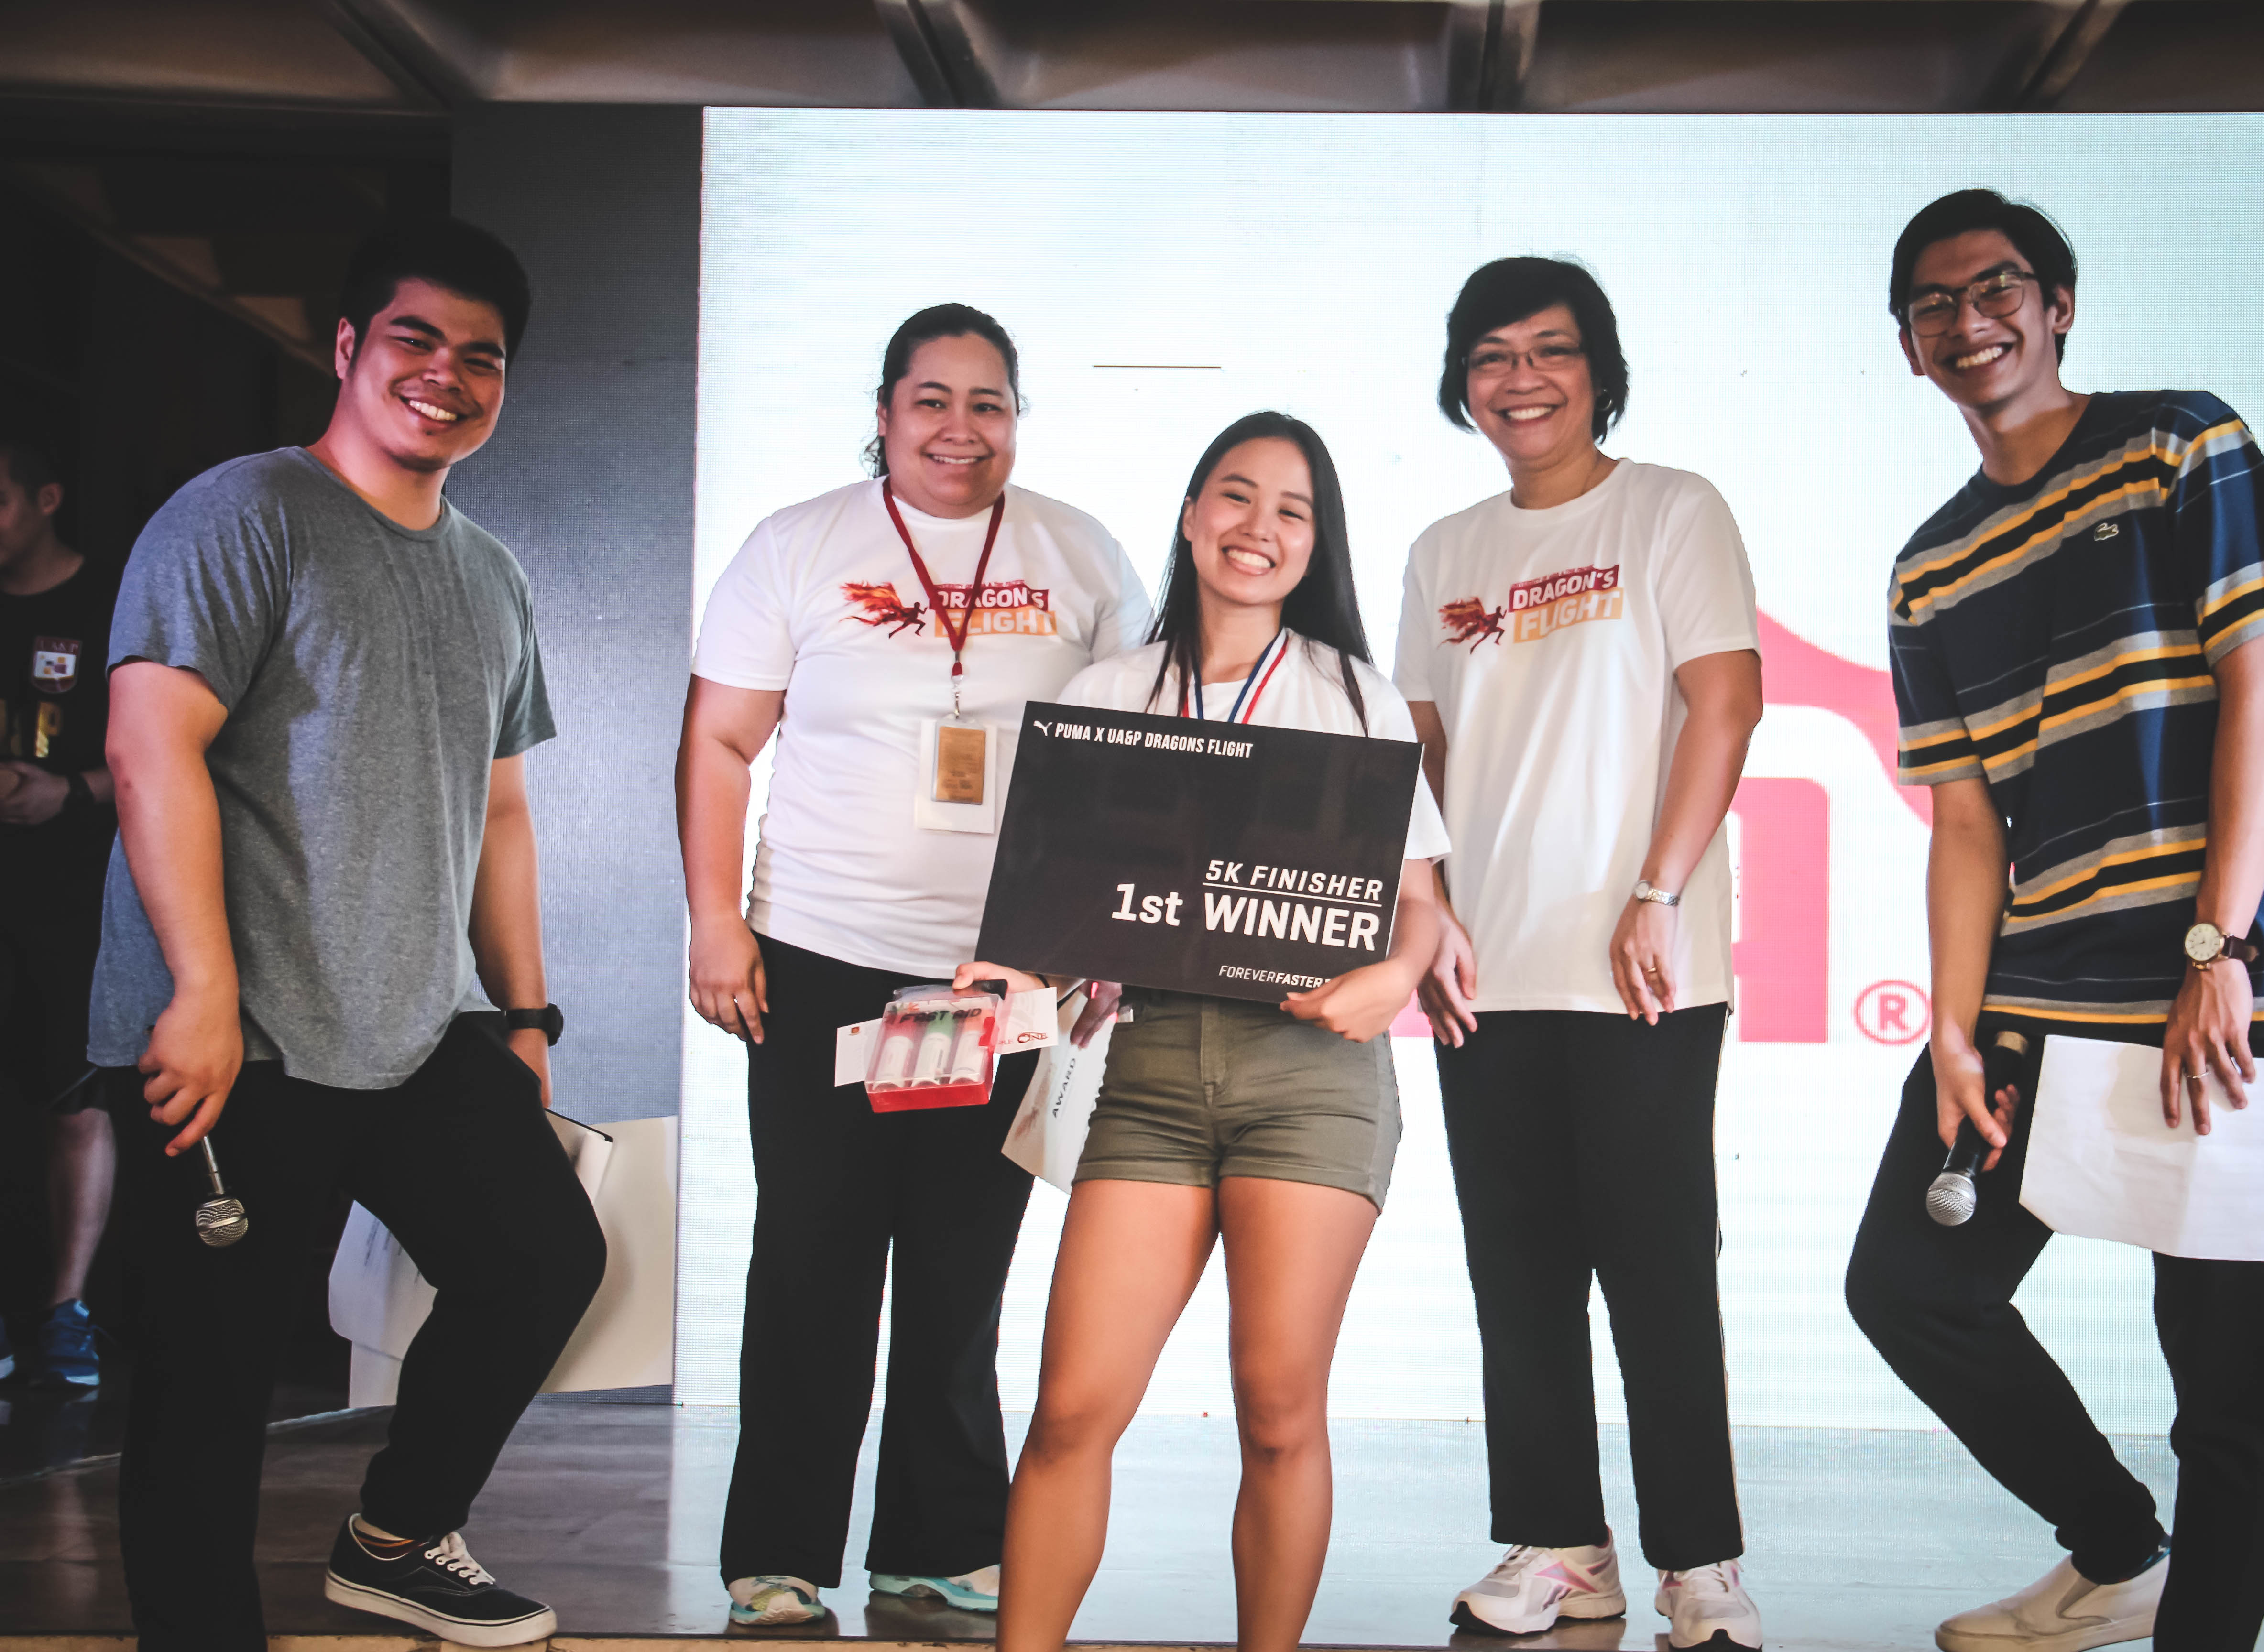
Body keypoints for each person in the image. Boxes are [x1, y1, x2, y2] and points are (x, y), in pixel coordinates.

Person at [87, 219, 606, 1649]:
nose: (446, 375)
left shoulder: (490, 574)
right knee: (210, 1379)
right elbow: (147, 747)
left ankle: (394, 1539)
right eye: (414, 340)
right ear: (346, 349)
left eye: (480, 358)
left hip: (415, 1021)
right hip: (237, 1029)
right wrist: (202, 990)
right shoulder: (243, 513)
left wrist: (524, 1019)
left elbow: (503, 811)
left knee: (542, 1259)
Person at [1842, 189, 2264, 1652]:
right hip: (2040, 996)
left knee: (2230, 1397)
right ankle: (2118, 1551)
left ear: (2057, 306)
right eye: (1935, 304)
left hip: (2232, 984)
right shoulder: (1931, 566)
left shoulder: (2181, 443)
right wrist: (1950, 1032)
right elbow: (1967, 825)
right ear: (1909, 347)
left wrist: (2219, 951)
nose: (1970, 320)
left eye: (1998, 287)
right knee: (1909, 1288)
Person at [678, 303, 1152, 1630]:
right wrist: (716, 921)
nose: (960, 428)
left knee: (959, 1273)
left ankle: (938, 1544)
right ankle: (777, 1554)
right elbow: (719, 742)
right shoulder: (799, 546)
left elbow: (1137, 759)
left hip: (1002, 980)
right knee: (810, 1263)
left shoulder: (1080, 553)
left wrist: (1100, 942)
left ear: (1018, 418)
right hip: (820, 958)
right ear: (885, 413)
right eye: (931, 400)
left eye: (988, 402)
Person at [967, 410, 1448, 1652]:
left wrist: (1396, 978)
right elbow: (1058, 910)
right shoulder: (1107, 694)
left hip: (1313, 1073)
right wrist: (1006, 974)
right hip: (1148, 1073)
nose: (1259, 527)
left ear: (1316, 545)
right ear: (1191, 516)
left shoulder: (1356, 694)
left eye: (1293, 510)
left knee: (1278, 1413)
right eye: (1236, 496)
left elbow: (1421, 909)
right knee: (1071, 1410)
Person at [1397, 257, 1767, 1650]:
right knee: (1518, 1273)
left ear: (1598, 371)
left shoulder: (1671, 508)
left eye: (1551, 350)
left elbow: (1725, 705)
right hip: (1484, 969)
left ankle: (1701, 1564)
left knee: (1659, 1267)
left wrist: (1659, 890)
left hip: (1641, 965)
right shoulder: (1444, 550)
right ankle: (1561, 1546)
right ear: (1464, 383)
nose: (1522, 379)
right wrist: (1428, 915)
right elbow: (1421, 758)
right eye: (1492, 355)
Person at [0, 438, 117, 1391]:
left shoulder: (112, 604)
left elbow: (174, 752)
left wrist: (67, 792)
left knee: (74, 1102)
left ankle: (66, 1311)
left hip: (72, 893)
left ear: (46, 498)